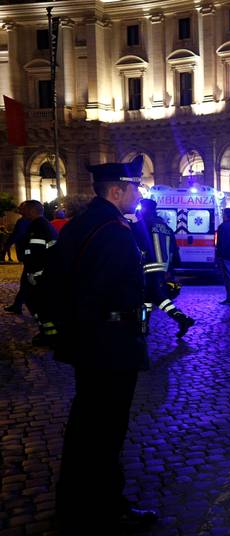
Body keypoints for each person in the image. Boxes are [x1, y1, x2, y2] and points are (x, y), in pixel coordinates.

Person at [45, 155, 158, 532]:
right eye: (135, 187)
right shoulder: (111, 230)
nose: (139, 193)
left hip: (89, 345)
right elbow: (114, 292)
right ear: (116, 190)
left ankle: (77, 503)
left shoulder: (81, 225)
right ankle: (103, 507)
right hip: (111, 346)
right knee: (105, 431)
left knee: (86, 428)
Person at [134, 198, 195, 337]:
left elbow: (134, 245)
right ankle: (144, 327)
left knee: (153, 297)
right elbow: (174, 248)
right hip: (163, 268)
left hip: (148, 267)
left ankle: (181, 319)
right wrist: (170, 269)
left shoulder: (143, 225)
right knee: (149, 298)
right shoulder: (166, 228)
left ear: (144, 210)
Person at [19, 200, 59, 346]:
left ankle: (49, 335)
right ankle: (49, 333)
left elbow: (36, 252)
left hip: (40, 275)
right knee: (42, 305)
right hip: (45, 274)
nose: (20, 213)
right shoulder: (45, 225)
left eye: (22, 209)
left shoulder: (37, 227)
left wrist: (34, 273)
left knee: (40, 305)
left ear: (31, 210)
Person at [3, 205, 30, 313]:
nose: (19, 210)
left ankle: (18, 304)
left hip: (29, 255)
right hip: (30, 255)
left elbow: (16, 235)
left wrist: (6, 247)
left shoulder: (23, 221)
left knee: (27, 280)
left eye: (22, 208)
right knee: (27, 280)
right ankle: (18, 304)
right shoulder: (35, 221)